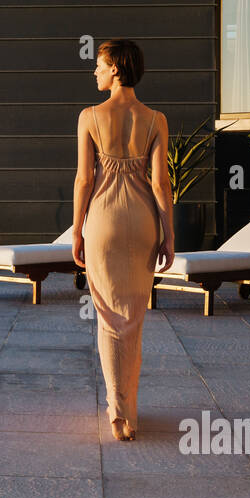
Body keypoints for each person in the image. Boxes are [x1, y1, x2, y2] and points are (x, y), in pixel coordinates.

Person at [71, 39, 175, 442]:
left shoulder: (89, 116)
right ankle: (129, 410)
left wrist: (77, 229)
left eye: (99, 64)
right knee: (132, 320)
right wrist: (169, 235)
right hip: (144, 221)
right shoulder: (155, 119)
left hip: (104, 223)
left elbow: (84, 179)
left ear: (115, 68)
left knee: (109, 320)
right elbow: (160, 182)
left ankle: (118, 412)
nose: (94, 71)